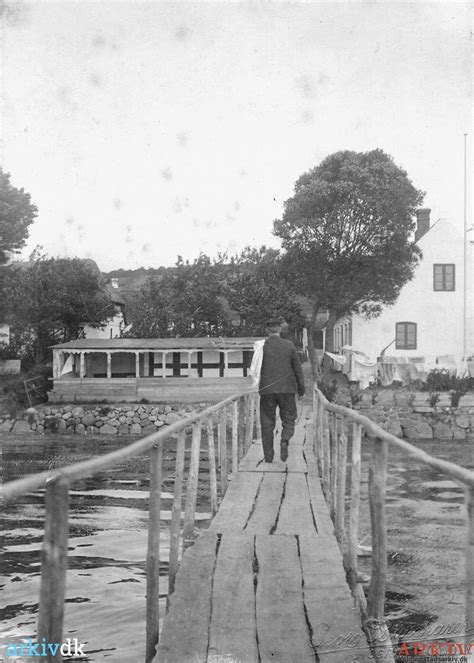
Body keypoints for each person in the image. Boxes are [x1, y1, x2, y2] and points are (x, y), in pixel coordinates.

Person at [258, 318, 305, 463]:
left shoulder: (261, 346)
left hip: (267, 390)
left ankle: (268, 457)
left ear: (267, 331)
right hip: (287, 389)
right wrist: (301, 389)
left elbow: (255, 367)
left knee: (267, 422)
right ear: (280, 330)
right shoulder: (289, 345)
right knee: (289, 418)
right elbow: (298, 370)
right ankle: (285, 439)